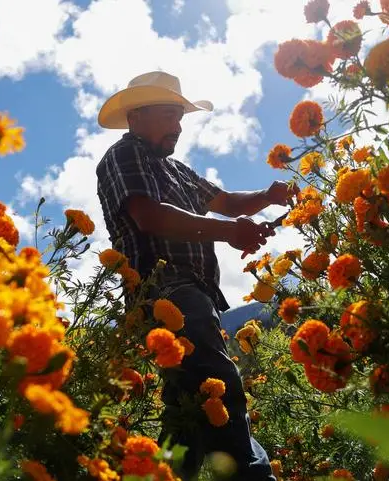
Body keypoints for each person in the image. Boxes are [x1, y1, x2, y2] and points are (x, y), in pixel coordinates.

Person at [95, 71, 295, 480]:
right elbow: (149, 216)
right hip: (164, 290)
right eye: (170, 115)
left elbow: (223, 200)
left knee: (186, 407)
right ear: (137, 116)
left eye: (180, 116)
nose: (179, 126)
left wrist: (265, 196)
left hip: (195, 296)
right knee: (217, 387)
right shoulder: (124, 155)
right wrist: (230, 231)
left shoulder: (178, 170)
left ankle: (166, 474)